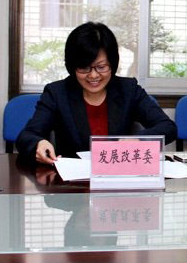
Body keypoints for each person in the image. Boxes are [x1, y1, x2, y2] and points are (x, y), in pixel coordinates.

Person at [16, 22, 177, 164]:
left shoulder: (128, 90)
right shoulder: (57, 93)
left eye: (101, 67)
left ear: (112, 64)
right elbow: (28, 135)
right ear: (72, 66)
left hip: (118, 177)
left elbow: (167, 127)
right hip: (71, 182)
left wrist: (138, 140)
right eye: (84, 68)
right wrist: (39, 143)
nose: (93, 75)